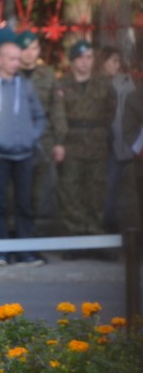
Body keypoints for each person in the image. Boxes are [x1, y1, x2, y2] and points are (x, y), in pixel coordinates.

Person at [0, 27, 46, 266]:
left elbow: (40, 116)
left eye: (18, 58)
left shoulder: (26, 87)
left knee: (25, 204)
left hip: (25, 154)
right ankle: (1, 251)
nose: (17, 62)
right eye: (12, 58)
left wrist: (31, 137)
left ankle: (25, 252)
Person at [55, 40, 116, 236]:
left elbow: (111, 112)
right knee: (71, 191)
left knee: (96, 191)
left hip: (97, 144)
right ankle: (75, 236)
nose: (85, 62)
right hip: (72, 144)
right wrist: (60, 142)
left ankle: (94, 234)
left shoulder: (104, 84)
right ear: (72, 61)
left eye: (89, 57)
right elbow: (58, 115)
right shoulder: (62, 85)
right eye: (80, 58)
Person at [16, 30, 67, 235]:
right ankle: (14, 233)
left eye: (34, 48)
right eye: (24, 48)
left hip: (43, 139)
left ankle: (34, 234)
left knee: (40, 188)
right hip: (16, 137)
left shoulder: (48, 76)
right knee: (15, 190)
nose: (29, 53)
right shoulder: (9, 73)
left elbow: (57, 110)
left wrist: (59, 141)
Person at [99, 46, 143, 233]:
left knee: (117, 187)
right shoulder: (95, 83)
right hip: (99, 143)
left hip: (123, 144)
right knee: (105, 187)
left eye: (119, 61)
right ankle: (103, 226)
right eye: (113, 61)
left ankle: (113, 225)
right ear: (103, 62)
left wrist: (132, 144)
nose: (117, 65)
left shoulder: (126, 83)